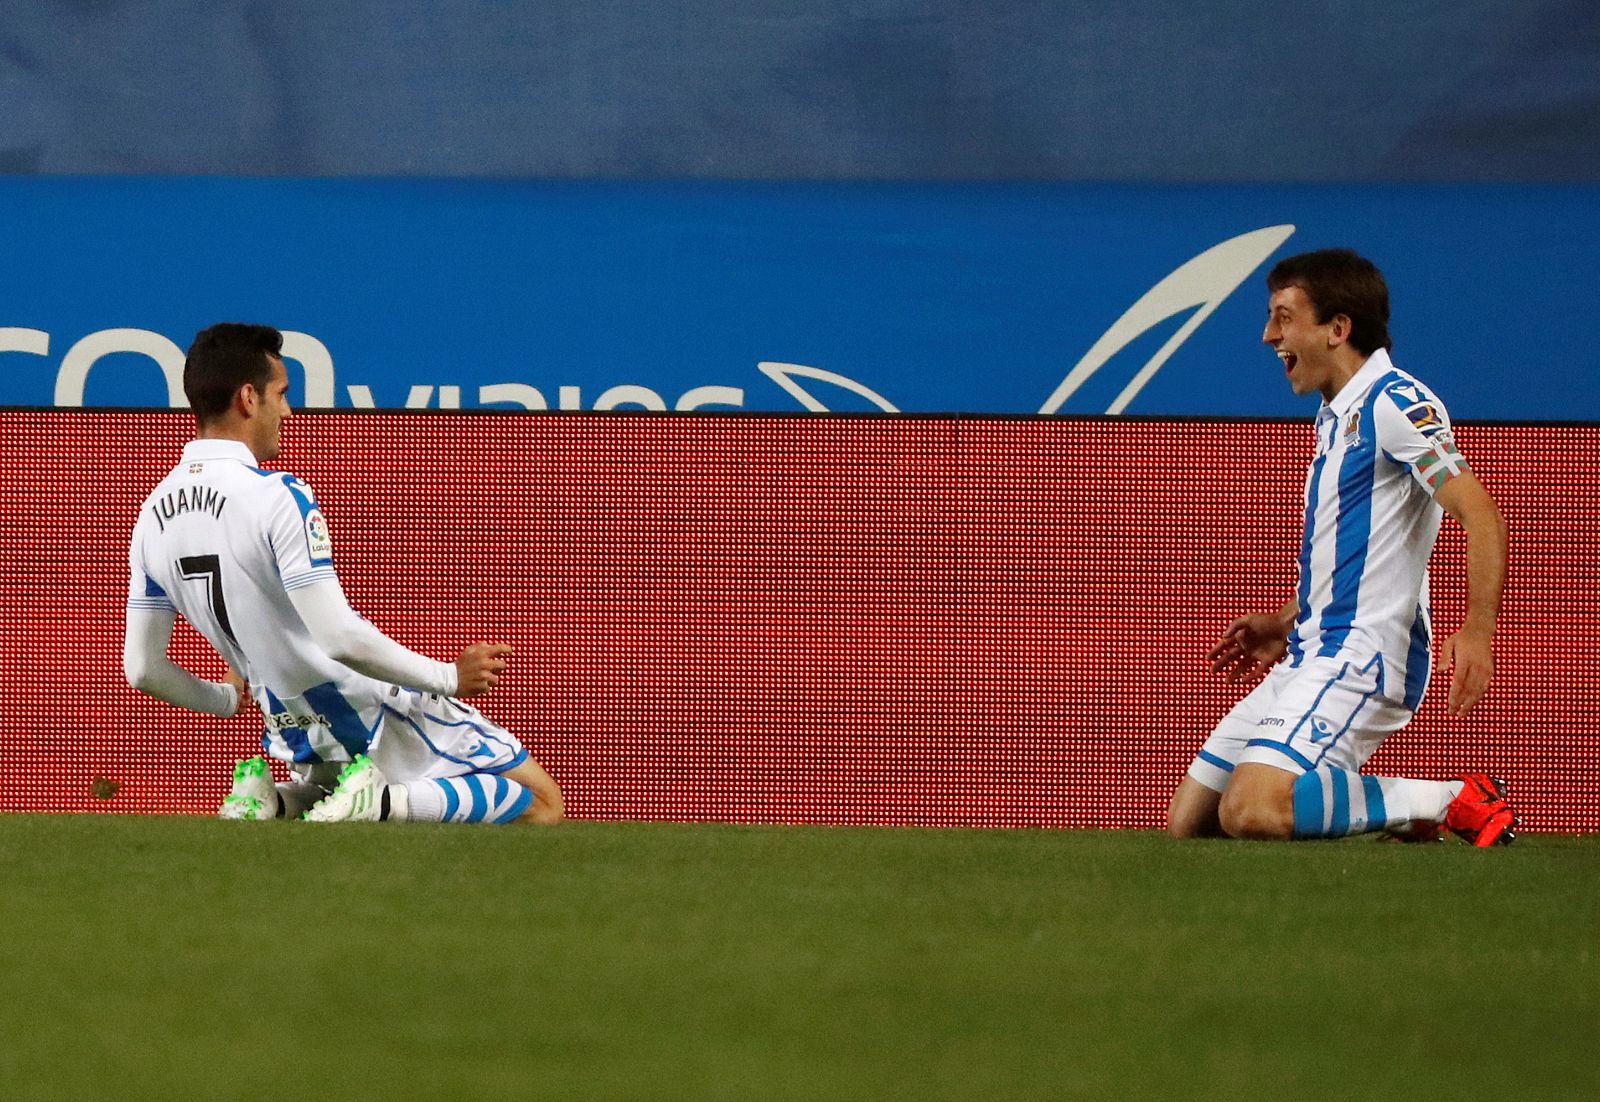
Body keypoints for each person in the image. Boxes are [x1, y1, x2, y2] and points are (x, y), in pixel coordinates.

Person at [123, 323, 563, 824]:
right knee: (543, 803)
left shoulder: (151, 517)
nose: (287, 412)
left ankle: (275, 801)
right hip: (369, 706)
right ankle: (379, 802)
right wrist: (448, 678)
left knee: (339, 795)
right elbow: (337, 637)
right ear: (248, 398)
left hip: (291, 725)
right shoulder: (276, 496)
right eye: (281, 394)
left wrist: (224, 700)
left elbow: (143, 668)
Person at [1166, 249, 1513, 845]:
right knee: (1192, 823)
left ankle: (1447, 798)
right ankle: (1382, 815)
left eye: (1283, 316)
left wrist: (1477, 629)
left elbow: (1480, 514)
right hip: (1311, 648)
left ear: (1338, 328)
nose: (1269, 334)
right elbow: (1357, 557)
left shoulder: (1395, 403)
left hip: (1363, 655)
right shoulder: (1337, 414)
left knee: (1252, 811)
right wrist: (1284, 620)